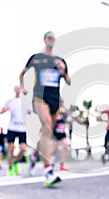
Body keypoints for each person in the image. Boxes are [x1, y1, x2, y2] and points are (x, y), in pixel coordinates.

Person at [19, 31, 71, 187]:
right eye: (49, 37)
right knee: (47, 126)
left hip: (55, 100)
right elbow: (22, 74)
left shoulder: (59, 60)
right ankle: (48, 172)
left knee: (49, 136)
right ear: (44, 40)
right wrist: (23, 88)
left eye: (53, 38)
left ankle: (35, 155)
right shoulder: (37, 58)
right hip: (40, 97)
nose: (51, 40)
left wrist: (63, 72)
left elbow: (68, 81)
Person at [0, 86, 30, 176]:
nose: (17, 90)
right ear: (14, 90)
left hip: (22, 128)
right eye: (16, 88)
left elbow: (30, 111)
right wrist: (4, 110)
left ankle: (16, 162)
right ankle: (10, 168)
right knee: (11, 148)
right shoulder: (10, 102)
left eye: (19, 88)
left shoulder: (24, 102)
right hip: (12, 128)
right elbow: (1, 111)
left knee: (24, 148)